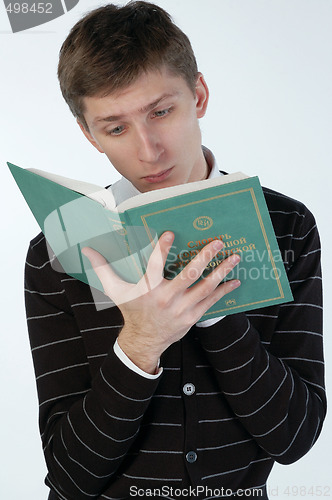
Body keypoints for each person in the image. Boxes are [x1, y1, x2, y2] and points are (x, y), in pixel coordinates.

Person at [25, 2, 326, 499]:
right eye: (116, 128)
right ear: (88, 134)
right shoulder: (58, 249)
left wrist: (212, 310)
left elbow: (294, 438)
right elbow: (69, 477)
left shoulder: (288, 226)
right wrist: (140, 345)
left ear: (199, 94)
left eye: (161, 112)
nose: (148, 150)